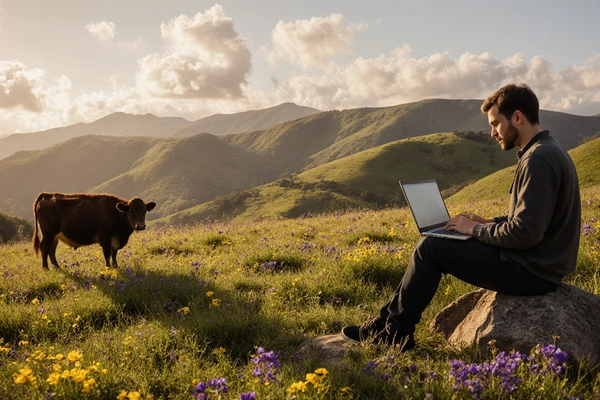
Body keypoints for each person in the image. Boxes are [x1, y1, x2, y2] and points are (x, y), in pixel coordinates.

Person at [341, 83, 581, 351]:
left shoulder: (539, 159)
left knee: (431, 249)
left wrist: (474, 231)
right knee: (434, 244)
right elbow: (534, 218)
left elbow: (525, 233)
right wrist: (488, 223)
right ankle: (385, 324)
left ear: (517, 117)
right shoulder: (547, 150)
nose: (492, 133)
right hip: (539, 263)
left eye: (495, 124)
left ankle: (396, 332)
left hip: (531, 270)